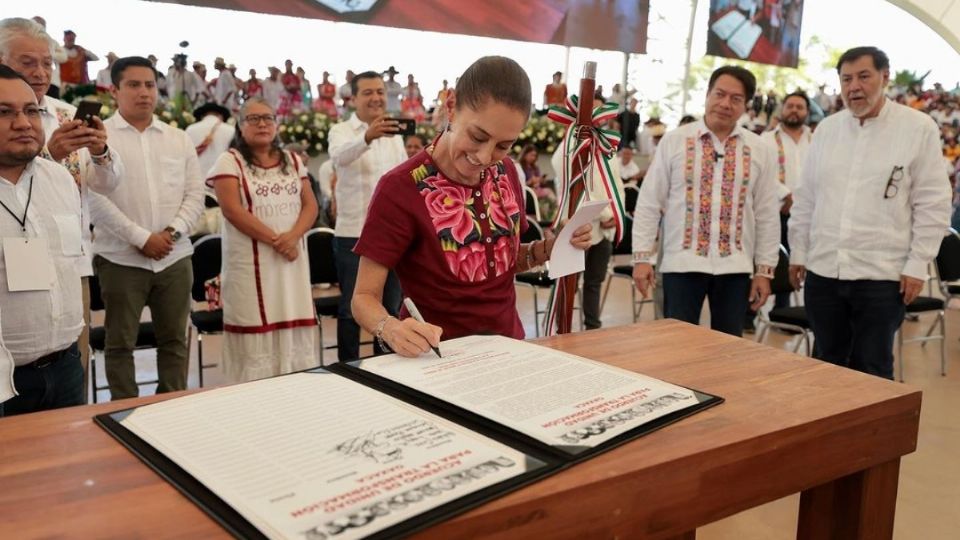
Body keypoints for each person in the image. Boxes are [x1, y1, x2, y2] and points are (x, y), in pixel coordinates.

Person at [351, 56, 593, 357]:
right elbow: (363, 297)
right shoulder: (400, 188)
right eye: (477, 137)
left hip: (509, 351)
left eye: (503, 145)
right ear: (451, 106)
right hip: (438, 360)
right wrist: (389, 328)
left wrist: (553, 248)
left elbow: (498, 261)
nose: (484, 156)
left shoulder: (506, 173)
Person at [788, 47, 952, 379]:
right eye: (846, 79)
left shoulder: (917, 128)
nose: (854, 87)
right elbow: (806, 198)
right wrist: (798, 252)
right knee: (825, 363)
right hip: (824, 272)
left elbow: (932, 203)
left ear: (885, 77)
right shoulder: (828, 130)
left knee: (872, 367)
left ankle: (871, 432)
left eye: (864, 76)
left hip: (882, 276)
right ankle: (829, 431)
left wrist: (917, 264)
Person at [0, 16, 123, 402]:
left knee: (70, 366)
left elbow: (106, 186)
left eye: (47, 63)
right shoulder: (29, 138)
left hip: (69, 267)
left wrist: (101, 151)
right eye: (27, 63)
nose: (40, 73)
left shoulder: (67, 113)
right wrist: (46, 152)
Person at [632, 66, 780, 337]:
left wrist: (764, 270)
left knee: (728, 349)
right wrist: (641, 258)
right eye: (720, 94)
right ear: (707, 95)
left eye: (735, 99)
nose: (725, 104)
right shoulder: (675, 141)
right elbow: (649, 201)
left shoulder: (760, 149)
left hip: (736, 266)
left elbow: (768, 213)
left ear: (745, 105)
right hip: (682, 263)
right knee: (676, 344)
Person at [88, 56, 204, 400]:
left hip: (174, 256)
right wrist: (141, 238)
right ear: (115, 90)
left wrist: (171, 234)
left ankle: (172, 407)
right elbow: (93, 197)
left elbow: (196, 194)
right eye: (134, 85)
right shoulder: (99, 137)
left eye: (150, 85)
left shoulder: (178, 138)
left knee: (174, 341)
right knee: (120, 343)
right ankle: (123, 411)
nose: (144, 93)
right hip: (121, 257)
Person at [206, 98, 319, 382]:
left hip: (291, 261)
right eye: (253, 119)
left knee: (292, 318)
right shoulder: (229, 161)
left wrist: (292, 237)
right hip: (250, 264)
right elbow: (232, 210)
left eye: (268, 118)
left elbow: (311, 206)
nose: (262, 124)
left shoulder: (293, 161)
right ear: (240, 126)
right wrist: (277, 241)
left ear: (277, 124)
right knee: (255, 327)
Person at [0, 65, 87, 416]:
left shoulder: (59, 179)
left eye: (31, 109)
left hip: (65, 369)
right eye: (4, 112)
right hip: (6, 380)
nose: (23, 123)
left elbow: (70, 265)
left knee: (66, 471)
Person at [327, 70, 407, 361]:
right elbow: (339, 157)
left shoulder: (394, 136)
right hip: (353, 233)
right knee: (352, 309)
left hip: (391, 238)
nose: (376, 98)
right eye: (368, 92)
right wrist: (367, 137)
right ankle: (349, 369)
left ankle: (385, 368)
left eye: (380, 92)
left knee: (388, 308)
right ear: (353, 98)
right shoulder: (341, 131)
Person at [551, 105, 625, 331]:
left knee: (594, 283)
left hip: (603, 230)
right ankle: (561, 331)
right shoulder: (569, 145)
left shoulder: (606, 148)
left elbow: (616, 185)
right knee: (568, 284)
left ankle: (593, 328)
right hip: (576, 226)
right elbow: (574, 186)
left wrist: (614, 214)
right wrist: (603, 213)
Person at [760, 90, 810, 309]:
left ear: (807, 112)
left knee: (797, 259)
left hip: (808, 212)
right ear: (782, 109)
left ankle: (783, 310)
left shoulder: (817, 139)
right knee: (771, 259)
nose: (794, 110)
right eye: (790, 106)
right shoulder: (766, 139)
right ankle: (750, 314)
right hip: (777, 209)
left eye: (800, 107)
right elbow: (763, 173)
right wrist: (786, 195)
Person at [185, 102, 234, 181]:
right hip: (221, 180)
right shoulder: (231, 130)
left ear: (202, 116)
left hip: (195, 181)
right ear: (221, 116)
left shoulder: (190, 129)